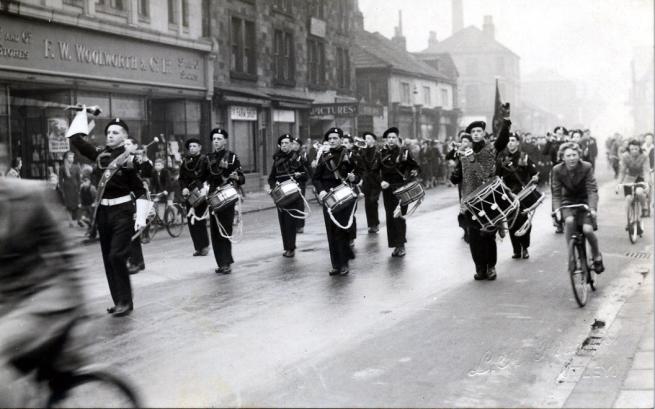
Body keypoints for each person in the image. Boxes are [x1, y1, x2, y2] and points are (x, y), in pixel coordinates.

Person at [0, 172, 87, 405]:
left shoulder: (30, 194)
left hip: (46, 297)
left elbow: (68, 251)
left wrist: (82, 311)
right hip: (8, 305)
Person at [67, 111, 148, 317]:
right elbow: (76, 139)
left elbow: (141, 187)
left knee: (116, 255)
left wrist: (141, 217)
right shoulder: (100, 155)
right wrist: (83, 113)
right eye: (108, 132)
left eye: (115, 132)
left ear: (124, 137)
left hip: (123, 211)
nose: (110, 135)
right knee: (107, 257)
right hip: (103, 212)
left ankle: (126, 301)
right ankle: (119, 300)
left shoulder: (130, 159)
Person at [459, 106, 511, 281]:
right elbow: (462, 176)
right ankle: (479, 267)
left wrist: (506, 121)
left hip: (488, 197)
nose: (475, 134)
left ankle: (491, 267)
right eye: (472, 131)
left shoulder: (490, 149)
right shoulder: (464, 152)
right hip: (471, 199)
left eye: (478, 131)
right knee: (474, 236)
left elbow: (502, 141)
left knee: (488, 234)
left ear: (483, 133)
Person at [312, 127, 360, 276]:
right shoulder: (324, 156)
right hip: (328, 197)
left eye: (335, 138)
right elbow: (316, 177)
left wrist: (354, 178)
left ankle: (344, 263)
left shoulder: (349, 154)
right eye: (330, 139)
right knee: (331, 230)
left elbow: (359, 173)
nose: (332, 141)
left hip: (344, 194)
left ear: (340, 139)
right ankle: (336, 264)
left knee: (342, 229)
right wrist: (321, 191)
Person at [552, 142, 604, 273]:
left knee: (587, 230)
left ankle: (597, 255)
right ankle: (572, 258)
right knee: (569, 221)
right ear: (562, 157)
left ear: (579, 156)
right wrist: (557, 210)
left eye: (574, 155)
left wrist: (592, 209)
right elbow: (556, 193)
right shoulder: (557, 170)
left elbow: (592, 190)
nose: (572, 158)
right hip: (568, 201)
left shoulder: (586, 167)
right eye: (568, 155)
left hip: (584, 201)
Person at [203, 128, 245, 274]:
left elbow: (242, 178)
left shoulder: (232, 157)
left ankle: (226, 262)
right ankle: (221, 262)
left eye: (219, 138)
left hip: (227, 196)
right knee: (215, 230)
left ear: (225, 141)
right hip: (213, 196)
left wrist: (235, 177)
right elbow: (202, 177)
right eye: (214, 139)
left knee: (225, 229)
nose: (216, 141)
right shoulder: (207, 158)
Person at [378, 127, 420, 258]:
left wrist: (413, 172)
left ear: (397, 139)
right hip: (387, 189)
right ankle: (395, 245)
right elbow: (376, 171)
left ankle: (401, 245)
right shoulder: (381, 153)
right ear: (386, 140)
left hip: (401, 188)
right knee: (390, 217)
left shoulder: (404, 152)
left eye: (393, 138)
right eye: (389, 138)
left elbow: (415, 166)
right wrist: (381, 181)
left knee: (399, 216)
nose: (391, 140)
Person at [496, 133, 539, 259]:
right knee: (511, 222)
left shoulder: (523, 156)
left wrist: (535, 178)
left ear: (518, 143)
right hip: (508, 193)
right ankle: (516, 250)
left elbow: (534, 173)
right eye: (508, 140)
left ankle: (525, 247)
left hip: (522, 193)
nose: (510, 142)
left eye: (513, 140)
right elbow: (497, 177)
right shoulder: (501, 158)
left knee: (523, 220)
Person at [266, 134, 308, 258]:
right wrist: (273, 188)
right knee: (283, 221)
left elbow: (307, 175)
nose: (284, 145)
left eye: (287, 143)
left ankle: (291, 248)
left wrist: (298, 178)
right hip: (281, 194)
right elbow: (271, 178)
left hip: (293, 193)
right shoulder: (277, 159)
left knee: (290, 222)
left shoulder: (298, 158)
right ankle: (287, 247)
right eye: (282, 143)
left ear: (291, 144)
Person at [179, 137, 210, 257]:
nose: (192, 148)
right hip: (189, 193)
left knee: (199, 219)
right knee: (191, 221)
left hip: (200, 192)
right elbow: (181, 178)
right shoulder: (185, 161)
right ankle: (198, 247)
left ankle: (204, 246)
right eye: (190, 146)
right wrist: (183, 188)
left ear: (199, 147)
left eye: (194, 146)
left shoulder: (204, 160)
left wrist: (203, 187)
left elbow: (208, 176)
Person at [617, 139, 650, 227]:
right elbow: (622, 171)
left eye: (636, 149)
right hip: (629, 178)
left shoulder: (644, 156)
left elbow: (646, 171)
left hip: (640, 177)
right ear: (629, 149)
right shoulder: (625, 156)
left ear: (639, 148)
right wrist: (618, 184)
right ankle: (628, 220)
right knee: (628, 198)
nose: (634, 151)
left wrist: (646, 183)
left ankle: (644, 207)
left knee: (639, 192)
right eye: (632, 149)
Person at [359, 132, 381, 234]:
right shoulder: (363, 151)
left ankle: (375, 224)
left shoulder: (378, 151)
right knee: (368, 203)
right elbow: (360, 165)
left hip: (376, 181)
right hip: (367, 181)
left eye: (368, 138)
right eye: (365, 138)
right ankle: (371, 225)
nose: (366, 140)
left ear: (373, 140)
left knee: (373, 201)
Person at [291, 136, 310, 234]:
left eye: (296, 144)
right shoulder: (288, 156)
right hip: (290, 184)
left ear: (300, 146)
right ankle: (292, 224)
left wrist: (300, 175)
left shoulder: (302, 157)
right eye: (293, 143)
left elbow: (307, 173)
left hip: (300, 183)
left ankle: (300, 225)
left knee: (299, 204)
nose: (294, 146)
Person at [58, 150, 82, 227]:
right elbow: (60, 179)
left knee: (77, 205)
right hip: (67, 188)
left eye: (73, 157)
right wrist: (61, 189)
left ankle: (79, 220)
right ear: (66, 158)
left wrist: (79, 188)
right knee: (68, 206)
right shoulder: (62, 168)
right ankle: (70, 222)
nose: (72, 158)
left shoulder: (76, 167)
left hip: (75, 188)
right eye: (70, 157)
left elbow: (79, 179)